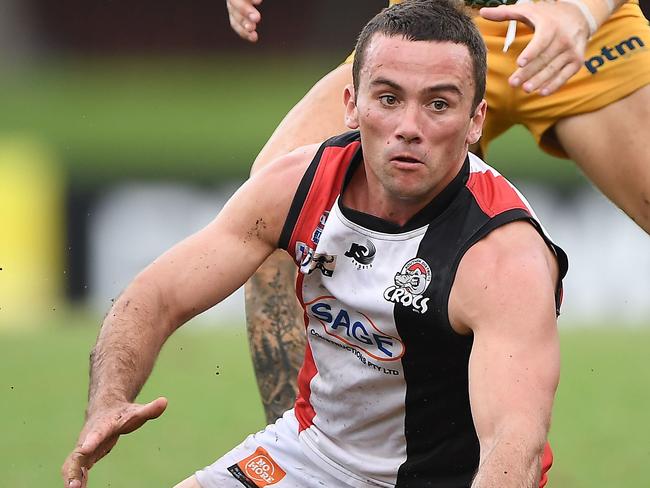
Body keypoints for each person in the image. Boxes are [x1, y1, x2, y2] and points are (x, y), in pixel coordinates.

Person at [62, 1, 568, 486]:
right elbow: (156, 296)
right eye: (388, 98)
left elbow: (513, 444)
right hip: (312, 457)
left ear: (476, 120)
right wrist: (108, 400)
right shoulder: (299, 184)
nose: (409, 129)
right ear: (352, 104)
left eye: (438, 104)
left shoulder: (502, 255)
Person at [227, 0, 650, 423]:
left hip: (579, 29)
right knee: (277, 209)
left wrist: (581, 13)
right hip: (428, 38)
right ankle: (306, 449)